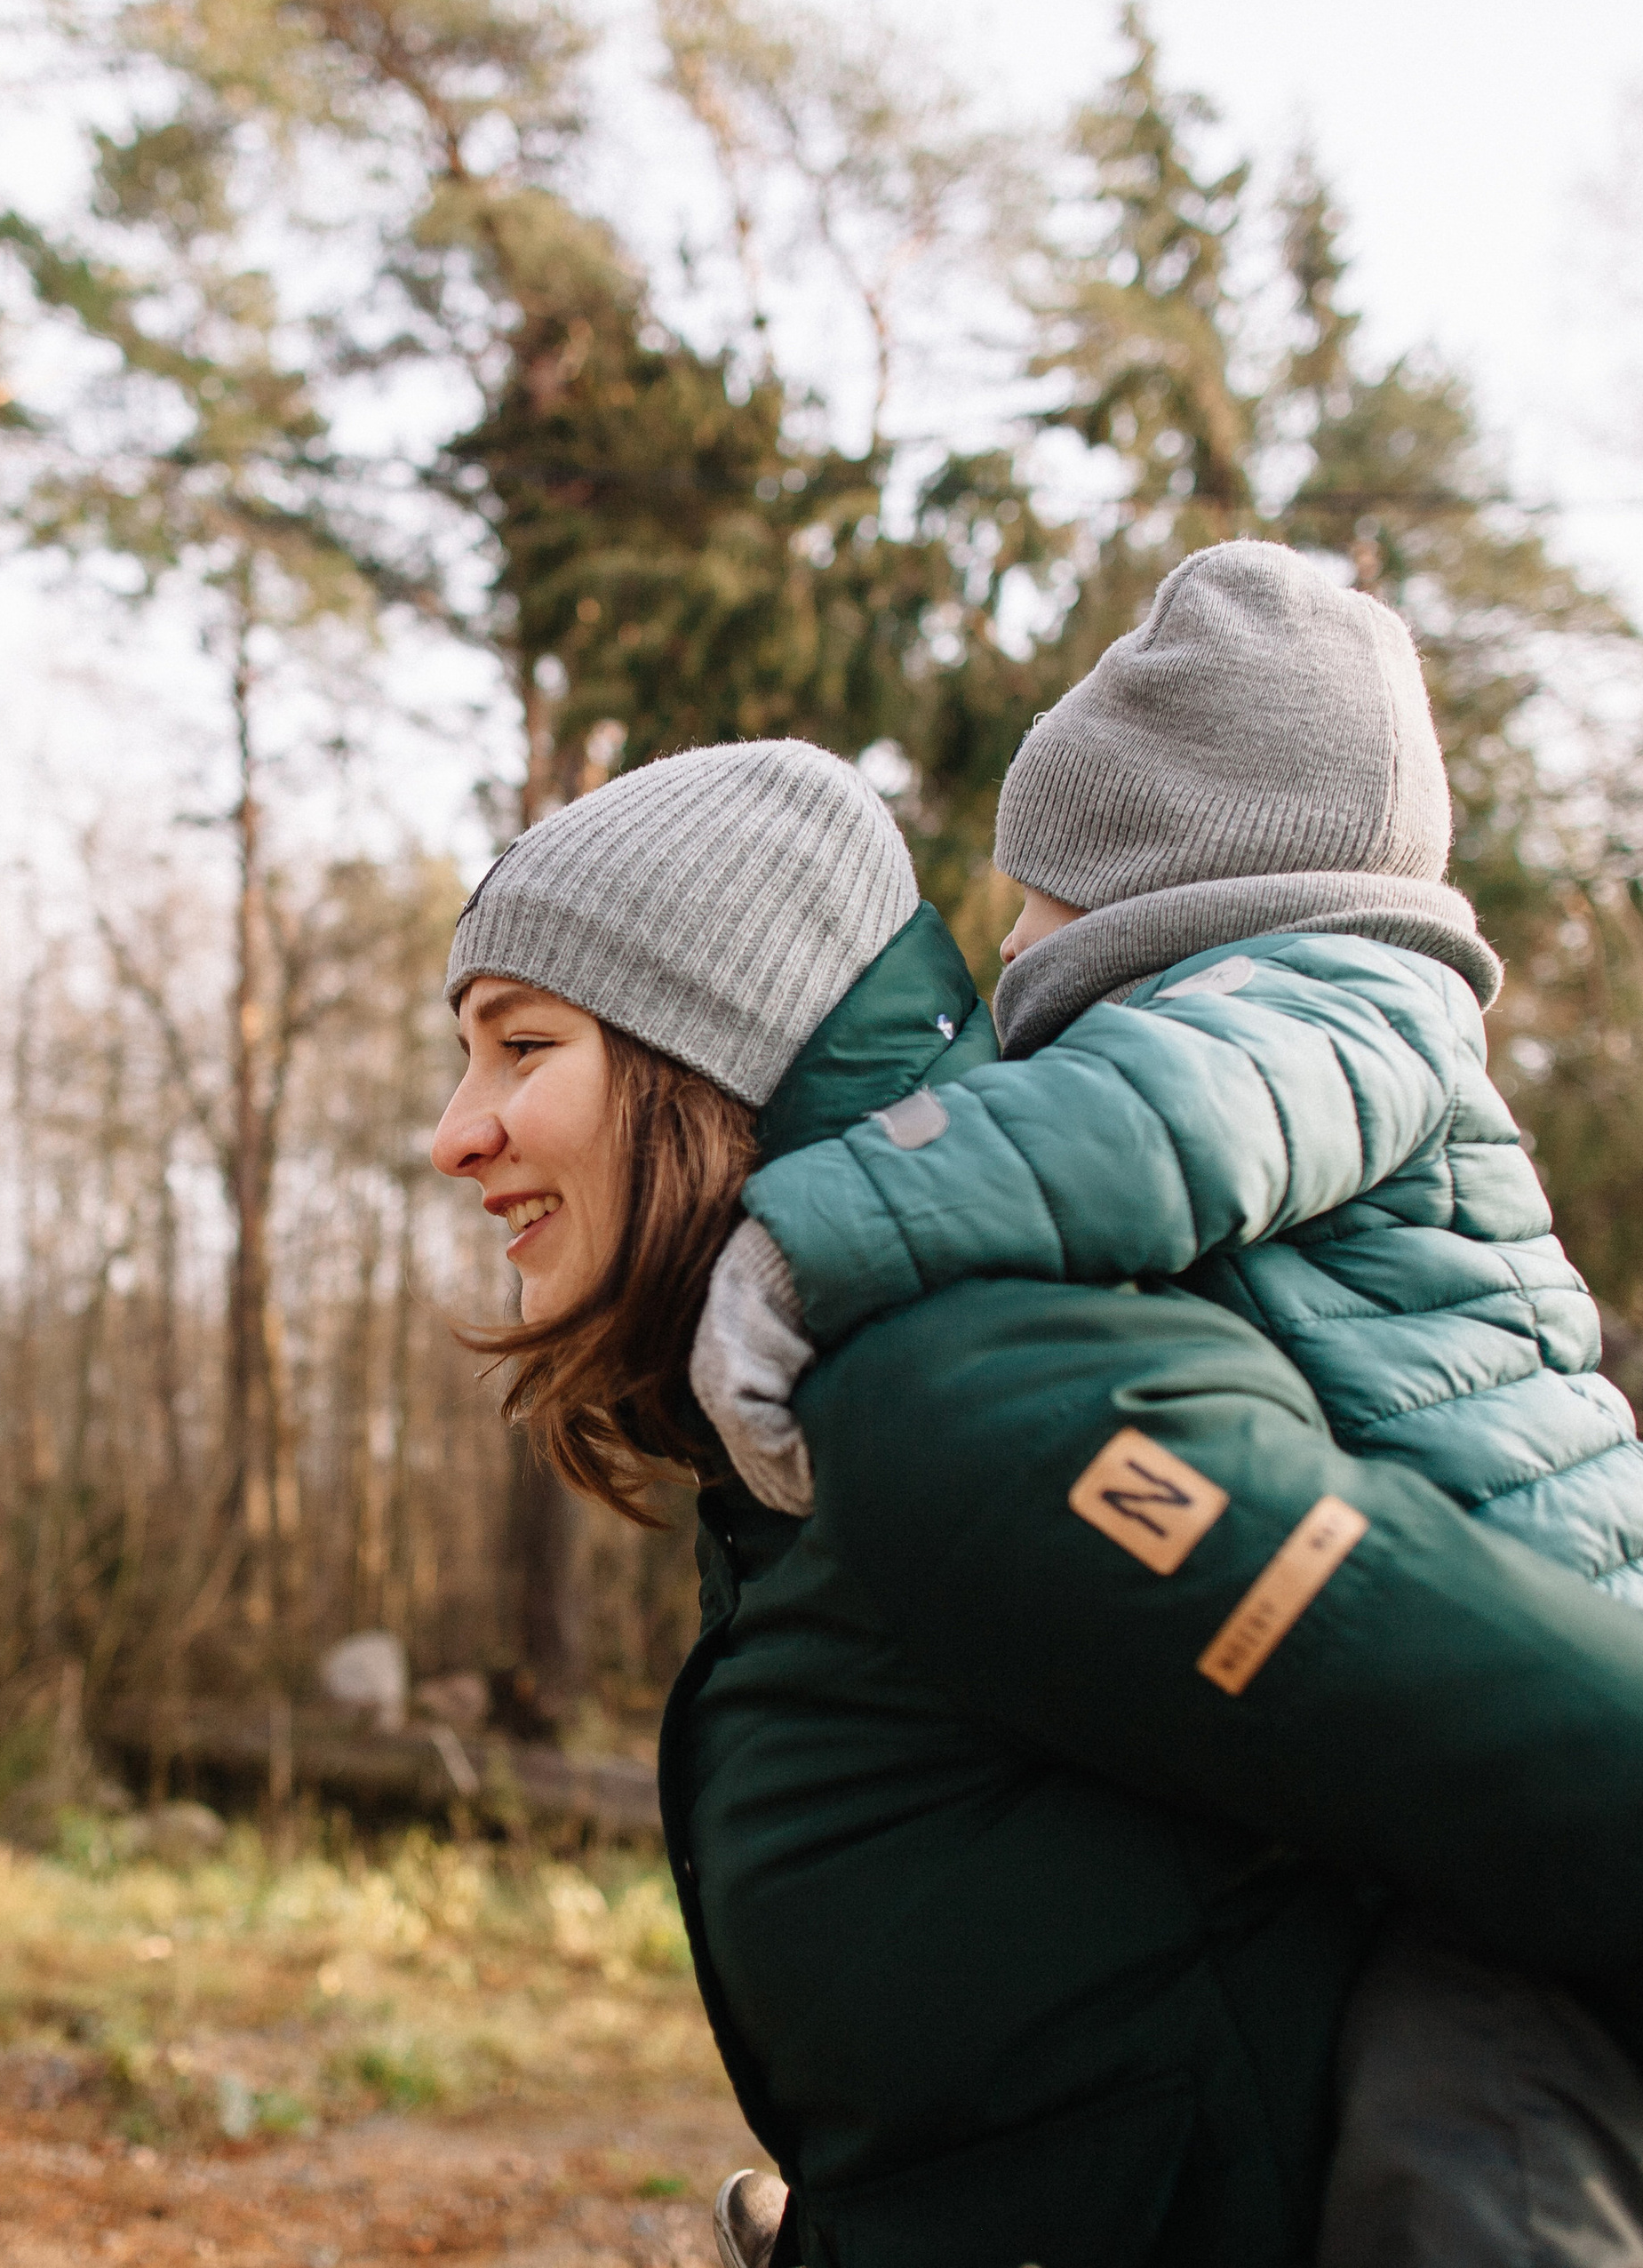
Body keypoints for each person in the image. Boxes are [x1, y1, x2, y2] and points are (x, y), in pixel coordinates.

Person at [431, 734, 1643, 2268]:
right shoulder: (801, 1431)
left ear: (713, 1058)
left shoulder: (964, 1395)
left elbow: (1593, 1768)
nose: (456, 1128)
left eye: (522, 1047)